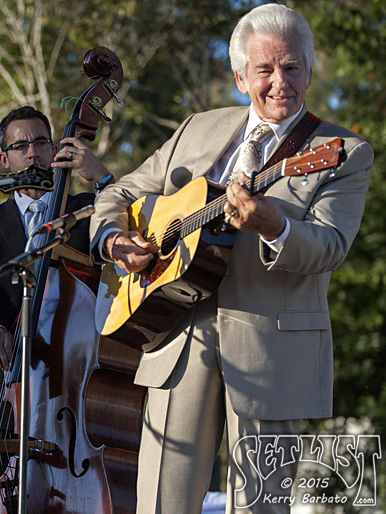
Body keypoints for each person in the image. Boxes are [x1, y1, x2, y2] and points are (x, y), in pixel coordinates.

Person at [89, 4, 373, 513]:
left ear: (309, 70)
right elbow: (123, 190)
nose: (279, 82)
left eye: (292, 67)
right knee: (159, 504)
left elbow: (329, 245)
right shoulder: (198, 128)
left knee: (262, 508)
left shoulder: (342, 150)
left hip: (272, 354)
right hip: (178, 338)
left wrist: (273, 223)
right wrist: (113, 240)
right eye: (265, 69)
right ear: (241, 77)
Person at [0, 105, 114, 463]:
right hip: (8, 391)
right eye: (21, 146)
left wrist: (102, 177)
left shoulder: (88, 209)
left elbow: (137, 221)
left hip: (80, 382)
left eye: (42, 142)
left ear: (56, 149)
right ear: (4, 159)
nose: (32, 152)